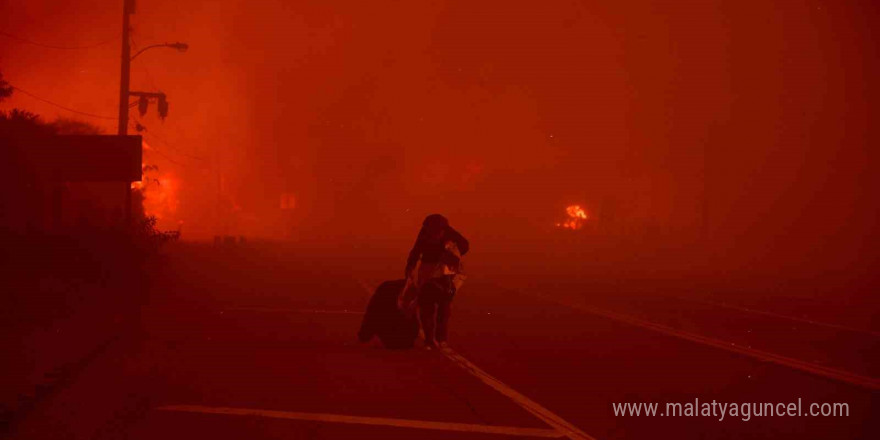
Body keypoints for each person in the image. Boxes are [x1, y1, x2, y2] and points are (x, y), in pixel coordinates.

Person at [404, 214, 469, 350]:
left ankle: (442, 339)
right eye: (431, 232)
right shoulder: (424, 233)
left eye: (437, 233)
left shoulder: (449, 232)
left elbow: (465, 245)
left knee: (444, 306)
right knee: (426, 305)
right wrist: (410, 269)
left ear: (443, 230)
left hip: (445, 270)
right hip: (427, 270)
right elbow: (415, 251)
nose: (434, 236)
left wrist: (452, 251)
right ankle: (429, 340)